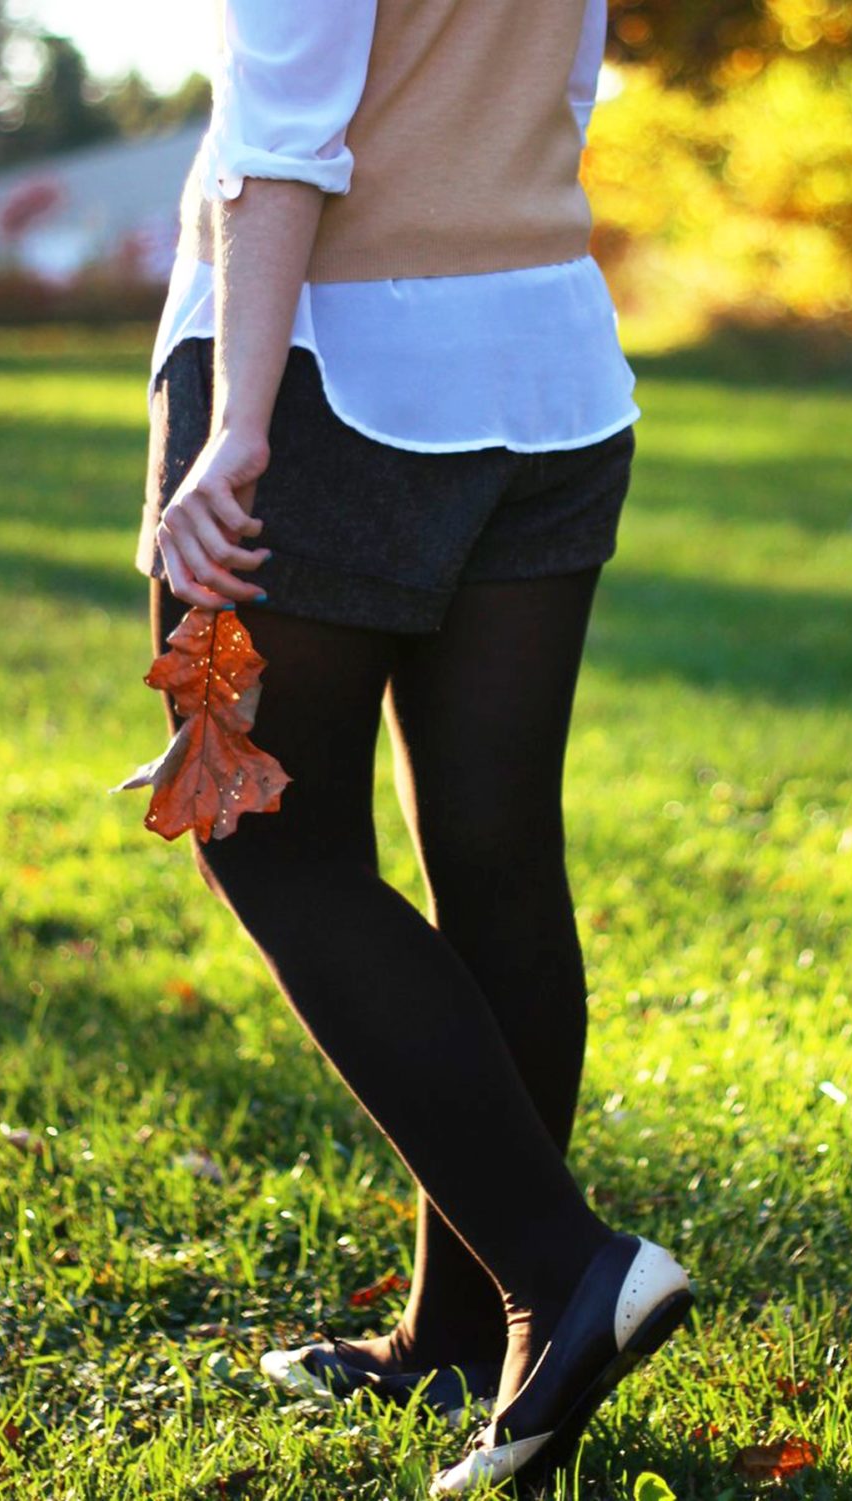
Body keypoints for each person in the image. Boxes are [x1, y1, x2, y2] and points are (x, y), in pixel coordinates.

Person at [134, 0, 693, 1490]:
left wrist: (235, 426)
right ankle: (457, 1338)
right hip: (550, 367)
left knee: (262, 833)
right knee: (495, 852)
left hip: (329, 379)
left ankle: (562, 1268)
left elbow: (276, 144)